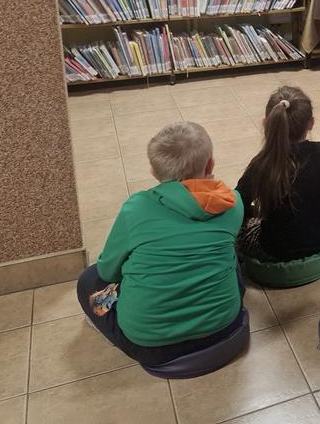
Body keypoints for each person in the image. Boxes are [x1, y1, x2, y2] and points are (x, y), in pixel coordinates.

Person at [76, 122, 244, 365]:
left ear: (155, 173)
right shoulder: (233, 203)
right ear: (210, 164)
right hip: (225, 326)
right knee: (231, 257)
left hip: (152, 348)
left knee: (89, 281)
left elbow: (107, 271)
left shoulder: (136, 208)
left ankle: (107, 319)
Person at [235, 86, 320, 261]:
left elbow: (237, 206)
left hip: (276, 252)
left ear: (266, 123)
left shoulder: (263, 164)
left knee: (239, 226)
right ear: (311, 123)